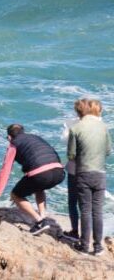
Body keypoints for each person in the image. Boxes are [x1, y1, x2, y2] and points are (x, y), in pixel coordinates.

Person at [0, 123, 64, 235]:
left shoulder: (13, 144)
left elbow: (5, 170)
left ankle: (40, 221)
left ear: (9, 137)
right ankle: (43, 216)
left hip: (41, 174)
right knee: (38, 187)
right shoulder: (36, 138)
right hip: (59, 171)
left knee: (16, 195)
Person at [67, 98, 110, 255]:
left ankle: (84, 246)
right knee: (97, 211)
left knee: (85, 210)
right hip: (100, 174)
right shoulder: (103, 127)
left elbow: (71, 155)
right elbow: (107, 151)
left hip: (83, 173)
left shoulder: (76, 128)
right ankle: (98, 247)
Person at [60, 99, 86, 242]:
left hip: (75, 169)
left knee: (73, 201)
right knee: (86, 204)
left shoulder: (74, 125)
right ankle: (88, 235)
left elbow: (70, 152)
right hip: (92, 169)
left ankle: (75, 232)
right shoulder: (97, 126)